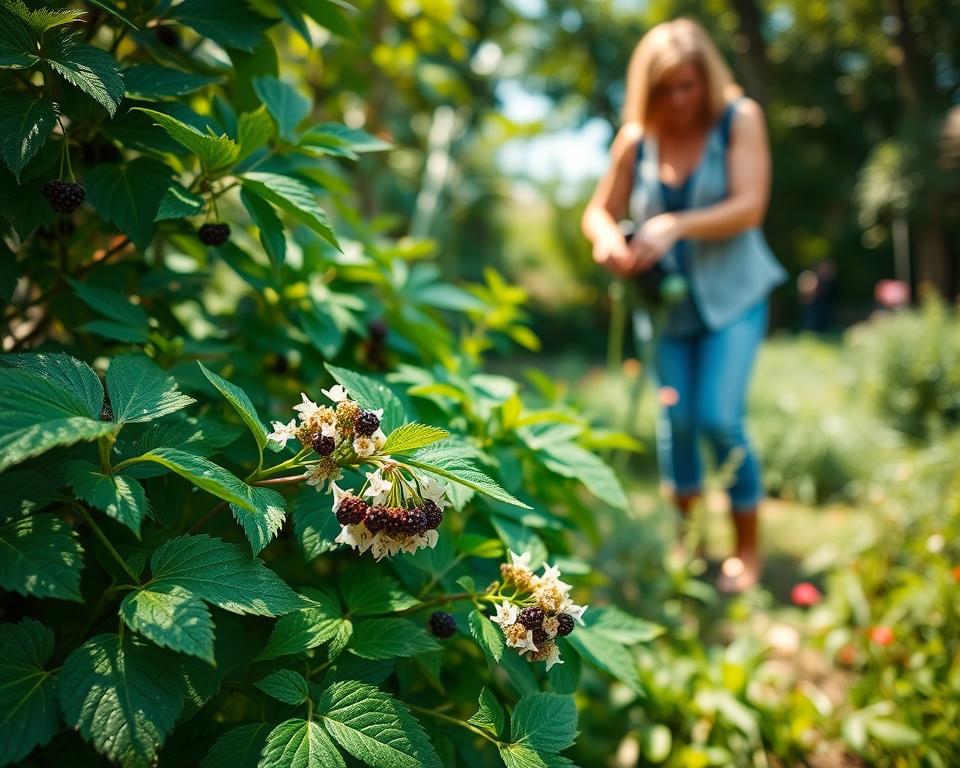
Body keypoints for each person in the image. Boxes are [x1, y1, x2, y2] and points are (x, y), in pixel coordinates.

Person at [581, 18, 786, 592]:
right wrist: (606, 240)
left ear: (706, 80)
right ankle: (689, 544)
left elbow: (749, 207)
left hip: (733, 297)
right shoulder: (634, 138)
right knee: (676, 422)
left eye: (688, 86)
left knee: (719, 418)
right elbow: (597, 211)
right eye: (665, 88)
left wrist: (673, 225)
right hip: (666, 312)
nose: (678, 100)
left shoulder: (738, 119)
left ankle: (746, 549)